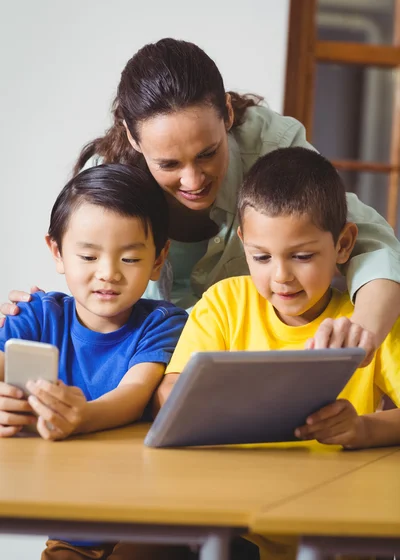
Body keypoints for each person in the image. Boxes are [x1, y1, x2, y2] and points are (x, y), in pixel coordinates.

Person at [3, 38, 400, 360]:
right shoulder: (105, 182)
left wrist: (360, 332)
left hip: (247, 355)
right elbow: (93, 283)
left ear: (227, 113)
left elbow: (363, 236)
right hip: (148, 360)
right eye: (169, 163)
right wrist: (40, 316)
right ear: (131, 137)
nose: (193, 180)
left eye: (209, 153)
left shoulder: (270, 144)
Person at [156, 147, 400, 560]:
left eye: (302, 256)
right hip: (234, 525)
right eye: (261, 257)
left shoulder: (366, 322)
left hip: (340, 528)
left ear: (343, 244)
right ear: (243, 244)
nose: (281, 277)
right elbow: (169, 393)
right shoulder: (224, 304)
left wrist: (362, 429)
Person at [0, 164, 188, 560]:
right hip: (71, 528)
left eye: (131, 259)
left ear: (158, 259)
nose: (108, 274)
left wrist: (80, 416)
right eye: (88, 255)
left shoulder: (163, 323)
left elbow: (135, 393)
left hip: (149, 524)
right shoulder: (35, 315)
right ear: (57, 252)